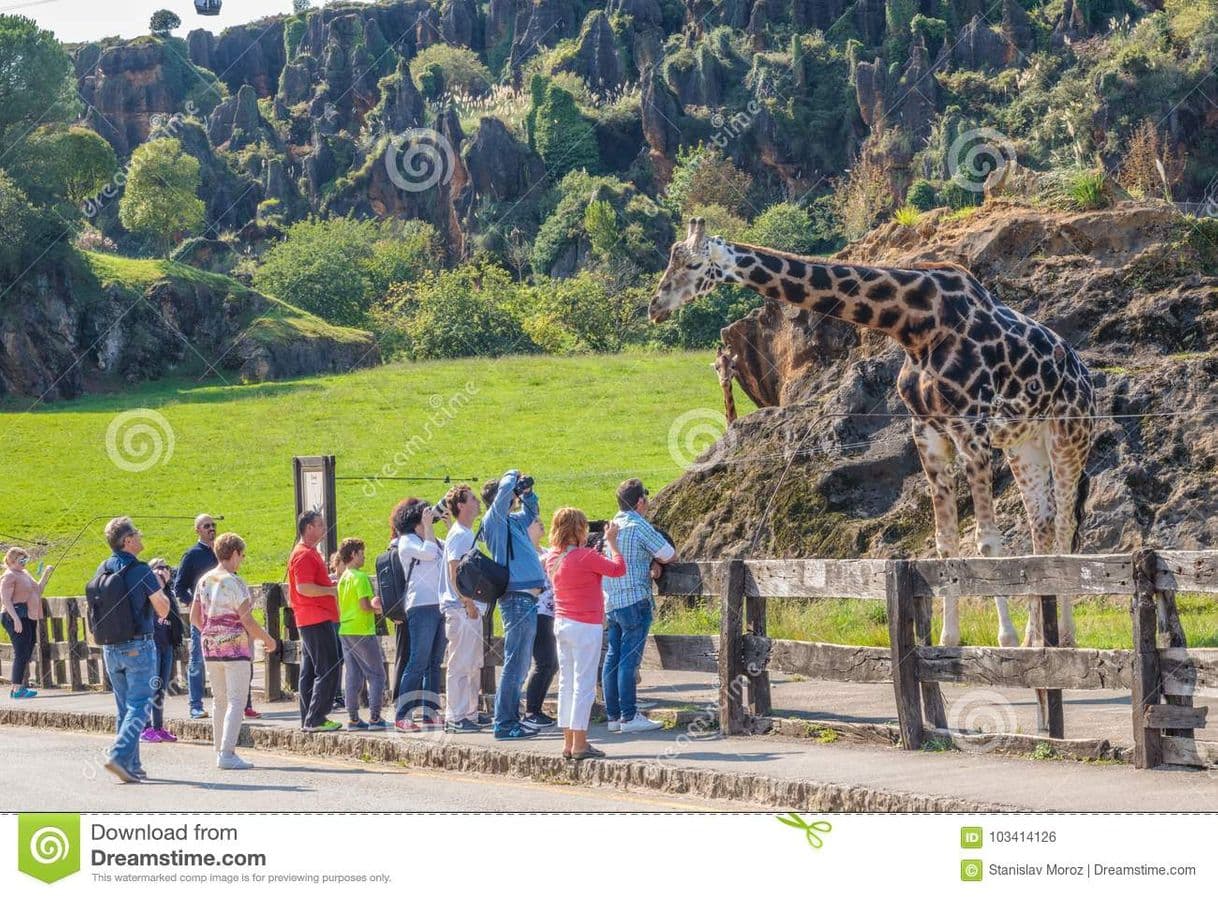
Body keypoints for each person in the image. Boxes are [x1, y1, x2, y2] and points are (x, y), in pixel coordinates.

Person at [190, 533, 276, 770]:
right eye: (242, 555)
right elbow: (247, 620)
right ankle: (227, 753)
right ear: (235, 553)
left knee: (219, 700)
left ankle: (220, 749)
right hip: (235, 648)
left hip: (210, 646)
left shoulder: (204, 581)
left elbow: (194, 617)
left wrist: (211, 631)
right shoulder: (235, 582)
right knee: (236, 700)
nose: (242, 560)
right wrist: (267, 639)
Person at [547, 509, 625, 760]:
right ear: (579, 529)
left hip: (562, 623)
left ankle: (568, 741)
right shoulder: (585, 556)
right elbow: (617, 569)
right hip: (585, 625)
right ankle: (581, 743)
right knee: (584, 685)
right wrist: (612, 543)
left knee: (567, 684)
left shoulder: (553, 558)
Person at [96, 517, 170, 783]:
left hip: (110, 648)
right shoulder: (140, 570)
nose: (140, 537)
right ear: (127, 541)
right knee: (140, 705)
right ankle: (117, 755)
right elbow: (162, 608)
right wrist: (160, 585)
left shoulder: (102, 569)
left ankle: (132, 764)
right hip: (138, 645)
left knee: (124, 709)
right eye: (136, 534)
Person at [602, 479, 676, 734]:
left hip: (612, 601)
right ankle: (629, 716)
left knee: (612, 658)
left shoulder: (612, 527)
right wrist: (655, 563)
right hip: (635, 599)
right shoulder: (638, 525)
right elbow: (669, 554)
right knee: (628, 661)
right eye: (646, 495)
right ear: (640, 501)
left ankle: (613, 715)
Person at [481, 470, 547, 740]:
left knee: (519, 664)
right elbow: (505, 492)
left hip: (526, 599)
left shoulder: (513, 521)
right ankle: (505, 723)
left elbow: (532, 512)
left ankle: (509, 719)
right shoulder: (494, 521)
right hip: (517, 599)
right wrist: (512, 474)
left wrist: (528, 492)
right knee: (515, 664)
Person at [394, 499, 448, 731]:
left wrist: (444, 528)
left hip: (439, 604)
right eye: (424, 516)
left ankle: (430, 711)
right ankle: (402, 714)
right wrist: (429, 528)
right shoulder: (406, 542)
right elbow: (429, 553)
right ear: (415, 520)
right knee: (418, 661)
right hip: (420, 606)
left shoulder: (430, 538)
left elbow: (451, 553)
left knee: (434, 662)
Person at [288, 510, 342, 733]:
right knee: (329, 666)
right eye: (320, 525)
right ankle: (317, 717)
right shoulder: (304, 554)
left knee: (309, 671)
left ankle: (308, 717)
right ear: (309, 527)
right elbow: (304, 588)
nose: (323, 529)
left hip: (310, 617)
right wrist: (331, 589)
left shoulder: (307, 552)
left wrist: (327, 582)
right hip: (316, 616)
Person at [439, 484, 485, 733]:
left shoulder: (465, 532)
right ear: (461, 505)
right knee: (460, 662)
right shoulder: (459, 535)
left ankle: (469, 712)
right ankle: (455, 716)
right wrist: (467, 601)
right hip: (460, 607)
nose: (477, 502)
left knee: (472, 662)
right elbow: (454, 570)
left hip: (468, 606)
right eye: (472, 499)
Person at [336, 538, 388, 731]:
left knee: (353, 675)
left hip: (346, 629)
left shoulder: (344, 578)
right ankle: (375, 717)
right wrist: (379, 610)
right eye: (361, 553)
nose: (364, 556)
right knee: (377, 674)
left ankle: (353, 718)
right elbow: (365, 605)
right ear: (353, 555)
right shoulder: (360, 577)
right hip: (362, 630)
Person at [173, 514, 217, 720]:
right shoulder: (191, 555)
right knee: (197, 661)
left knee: (227, 659)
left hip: (222, 616)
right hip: (201, 617)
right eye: (206, 526)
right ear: (197, 530)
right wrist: (194, 605)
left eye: (213, 525)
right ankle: (195, 705)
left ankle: (232, 704)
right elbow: (179, 587)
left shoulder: (221, 552)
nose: (211, 528)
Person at [1, 547, 53, 699]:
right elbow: (5, 599)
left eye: (26, 560)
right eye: (21, 560)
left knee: (27, 651)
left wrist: (46, 573)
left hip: (28, 616)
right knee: (21, 652)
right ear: (11, 561)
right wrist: (16, 618)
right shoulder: (9, 575)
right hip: (15, 616)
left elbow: (38, 589)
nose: (24, 563)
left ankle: (17, 688)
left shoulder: (24, 574)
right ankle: (17, 690)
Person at [521, 517, 557, 731]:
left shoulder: (544, 550)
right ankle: (531, 710)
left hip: (552, 612)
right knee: (544, 662)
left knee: (552, 663)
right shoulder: (528, 554)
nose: (541, 522)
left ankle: (536, 709)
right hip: (538, 611)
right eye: (535, 522)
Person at [141, 558, 181, 743]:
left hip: (166, 645)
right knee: (151, 686)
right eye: (159, 569)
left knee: (161, 688)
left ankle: (158, 726)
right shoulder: (148, 593)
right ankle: (145, 727)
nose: (164, 571)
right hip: (152, 645)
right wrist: (157, 580)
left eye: (166, 568)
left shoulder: (168, 594)